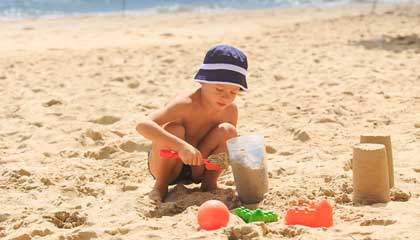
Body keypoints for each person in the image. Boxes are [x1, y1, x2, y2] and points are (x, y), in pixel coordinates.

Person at [136, 44, 248, 203]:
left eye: (233, 92)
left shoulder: (230, 110)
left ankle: (209, 183)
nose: (225, 97)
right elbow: (141, 124)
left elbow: (225, 147)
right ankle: (160, 186)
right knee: (174, 129)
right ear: (202, 82)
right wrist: (181, 147)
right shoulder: (185, 104)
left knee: (229, 132)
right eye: (219, 89)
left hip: (200, 166)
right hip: (168, 164)